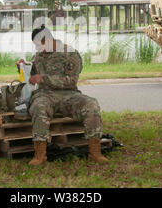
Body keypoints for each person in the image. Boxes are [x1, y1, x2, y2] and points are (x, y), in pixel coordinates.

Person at [17, 25, 108, 165]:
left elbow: (71, 80)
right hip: (45, 95)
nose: (36, 49)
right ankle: (40, 156)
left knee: (91, 104)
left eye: (37, 45)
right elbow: (31, 77)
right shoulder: (39, 56)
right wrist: (22, 67)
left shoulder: (70, 54)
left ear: (47, 40)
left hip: (69, 95)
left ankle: (95, 153)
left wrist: (44, 78)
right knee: (38, 107)